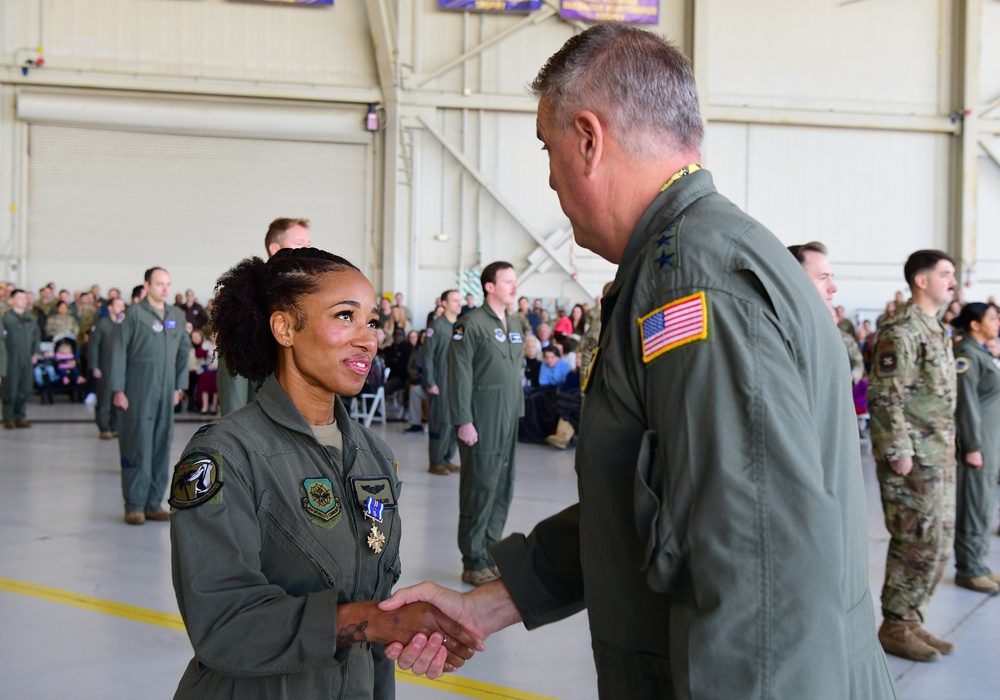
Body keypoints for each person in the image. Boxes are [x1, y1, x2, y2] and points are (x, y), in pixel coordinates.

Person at [380, 23, 897, 698]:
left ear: (589, 140)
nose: (550, 177)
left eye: (549, 147)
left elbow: (758, 573)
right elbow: (656, 503)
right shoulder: (693, 256)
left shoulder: (691, 287)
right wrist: (494, 602)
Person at [168, 247, 480, 698]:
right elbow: (222, 623)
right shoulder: (226, 455)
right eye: (344, 316)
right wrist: (375, 620)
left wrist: (395, 624)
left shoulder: (373, 456)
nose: (368, 338)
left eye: (372, 321)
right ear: (285, 328)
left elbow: (372, 615)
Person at [867, 249, 958, 662]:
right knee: (915, 538)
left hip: (937, 455)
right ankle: (895, 624)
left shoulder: (935, 329)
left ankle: (911, 618)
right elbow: (885, 394)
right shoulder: (903, 330)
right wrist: (899, 451)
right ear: (921, 281)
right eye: (945, 274)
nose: (952, 281)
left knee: (938, 541)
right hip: (914, 457)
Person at [448, 261, 524, 587]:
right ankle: (473, 559)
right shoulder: (470, 324)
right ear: (490, 286)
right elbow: (459, 375)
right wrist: (463, 420)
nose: (514, 286)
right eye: (508, 281)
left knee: (503, 484)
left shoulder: (516, 322)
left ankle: (491, 552)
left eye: (515, 281)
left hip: (510, 414)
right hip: (482, 415)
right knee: (480, 486)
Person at [110, 267, 190, 525]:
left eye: (168, 284)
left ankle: (153, 502)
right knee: (138, 446)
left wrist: (179, 386)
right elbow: (119, 351)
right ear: (147, 285)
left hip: (166, 392)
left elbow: (183, 352)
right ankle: (133, 505)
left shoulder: (176, 315)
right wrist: (118, 389)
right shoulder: (132, 315)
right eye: (159, 284)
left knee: (161, 446)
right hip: (137, 390)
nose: (165, 289)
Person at [218, 217, 312, 416]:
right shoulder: (247, 296)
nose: (306, 250)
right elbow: (234, 377)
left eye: (308, 244)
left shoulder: (308, 294)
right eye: (299, 244)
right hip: (257, 416)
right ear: (275, 249)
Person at [950, 302, 1000, 594]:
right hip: (977, 442)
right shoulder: (967, 354)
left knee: (983, 505)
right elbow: (966, 403)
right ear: (974, 324)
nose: (997, 322)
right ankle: (968, 568)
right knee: (973, 505)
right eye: (992, 318)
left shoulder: (983, 353)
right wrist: (971, 445)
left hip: (990, 443)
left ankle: (979, 563)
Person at [788, 241, 864, 385]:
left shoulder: (825, 333)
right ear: (795, 281)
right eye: (823, 278)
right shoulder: (777, 334)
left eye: (831, 277)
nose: (833, 287)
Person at [423, 289, 462, 475]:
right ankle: (436, 461)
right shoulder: (436, 326)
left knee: (454, 422)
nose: (459, 303)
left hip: (457, 382)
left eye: (459, 300)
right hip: (441, 380)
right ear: (444, 303)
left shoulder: (460, 327)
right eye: (455, 300)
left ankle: (447, 458)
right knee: (441, 422)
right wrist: (430, 381)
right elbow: (427, 356)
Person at [2, 289, 40, 429]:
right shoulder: (6, 318)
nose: (23, 300)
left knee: (25, 388)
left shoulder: (30, 318)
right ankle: (9, 418)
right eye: (19, 298)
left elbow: (36, 336)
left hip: (27, 358)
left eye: (25, 298)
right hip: (11, 357)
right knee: (10, 389)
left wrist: (36, 352)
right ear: (11, 300)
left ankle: (20, 416)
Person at [89, 296, 125, 439]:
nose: (121, 309)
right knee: (104, 398)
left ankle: (115, 426)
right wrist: (94, 366)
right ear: (110, 308)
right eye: (118, 306)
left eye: (122, 306)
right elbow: (93, 346)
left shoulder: (124, 324)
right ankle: (104, 427)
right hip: (105, 366)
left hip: (120, 368)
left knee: (118, 397)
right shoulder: (102, 324)